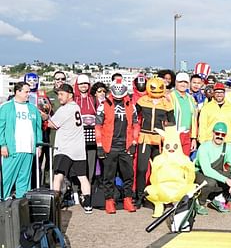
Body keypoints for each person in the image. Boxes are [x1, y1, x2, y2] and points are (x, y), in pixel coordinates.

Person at [46, 83, 92, 213]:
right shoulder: (76, 107)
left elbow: (51, 124)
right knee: (82, 176)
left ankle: (55, 203)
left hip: (65, 148)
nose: (59, 97)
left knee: (58, 175)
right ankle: (88, 204)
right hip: (78, 149)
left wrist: (44, 114)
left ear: (70, 95)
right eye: (58, 94)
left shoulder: (65, 109)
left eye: (62, 94)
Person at [95, 81, 139, 214]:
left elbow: (136, 125)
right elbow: (98, 126)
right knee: (108, 176)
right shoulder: (103, 106)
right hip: (109, 146)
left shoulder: (131, 106)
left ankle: (127, 200)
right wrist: (100, 146)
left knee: (128, 175)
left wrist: (134, 143)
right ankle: (109, 201)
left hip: (126, 146)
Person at [135, 76, 175, 206]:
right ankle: (140, 196)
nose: (157, 90)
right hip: (145, 138)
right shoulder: (142, 101)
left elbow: (172, 123)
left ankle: (157, 196)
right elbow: (133, 117)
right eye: (153, 87)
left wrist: (169, 139)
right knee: (141, 169)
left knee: (159, 170)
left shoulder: (166, 103)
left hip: (159, 141)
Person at [0, 82, 43, 199]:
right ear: (17, 92)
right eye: (26, 92)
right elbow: (1, 127)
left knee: (24, 180)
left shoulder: (33, 109)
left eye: (29, 92)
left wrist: (39, 146)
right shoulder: (6, 107)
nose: (28, 94)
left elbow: (38, 129)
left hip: (28, 149)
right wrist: (2, 145)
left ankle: (20, 207)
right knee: (6, 179)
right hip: (12, 150)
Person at [194, 122, 231, 214]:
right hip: (200, 173)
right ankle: (200, 202)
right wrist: (227, 181)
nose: (220, 136)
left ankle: (218, 198)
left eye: (222, 134)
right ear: (213, 133)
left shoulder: (228, 147)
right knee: (210, 182)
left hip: (216, 172)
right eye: (217, 133)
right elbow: (206, 170)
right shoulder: (204, 147)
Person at [75, 73, 98, 183]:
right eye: (81, 83)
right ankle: (76, 187)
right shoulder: (74, 100)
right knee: (78, 161)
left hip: (92, 137)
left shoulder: (94, 99)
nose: (83, 85)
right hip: (77, 136)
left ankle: (89, 184)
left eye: (86, 83)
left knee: (91, 162)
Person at [170, 72, 198, 156]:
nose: (183, 84)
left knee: (184, 161)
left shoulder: (191, 98)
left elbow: (194, 119)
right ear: (176, 83)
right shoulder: (170, 97)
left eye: (185, 82)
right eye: (180, 82)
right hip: (174, 135)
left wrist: (193, 138)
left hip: (187, 135)